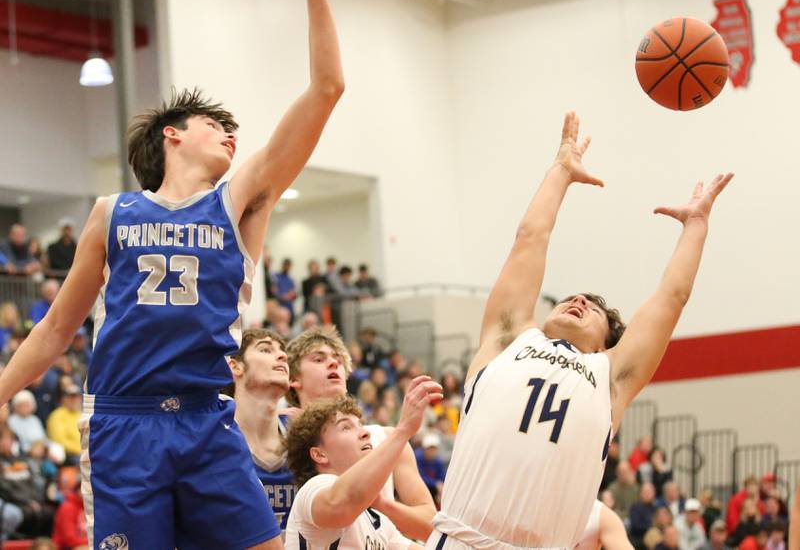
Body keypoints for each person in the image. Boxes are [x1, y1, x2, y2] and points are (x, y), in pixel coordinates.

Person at [0, 0, 344, 549]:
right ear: (172, 135)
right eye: (214, 125)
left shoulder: (239, 204)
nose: (230, 136)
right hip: (125, 420)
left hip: (207, 417)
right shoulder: (112, 212)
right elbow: (54, 330)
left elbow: (326, 92)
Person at [427, 112, 733, 549]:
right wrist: (561, 171)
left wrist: (696, 227)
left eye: (593, 309)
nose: (580, 302)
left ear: (607, 343)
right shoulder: (509, 339)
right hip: (459, 538)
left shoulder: (611, 376)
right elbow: (529, 238)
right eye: (573, 298)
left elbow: (672, 297)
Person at [286, 326, 437, 540]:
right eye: (318, 359)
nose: (333, 363)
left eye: (338, 360)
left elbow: (430, 527)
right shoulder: (279, 439)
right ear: (293, 378)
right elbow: (338, 505)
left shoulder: (386, 437)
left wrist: (379, 505)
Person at [228, 329, 296, 533]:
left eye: (282, 351)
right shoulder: (212, 437)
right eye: (266, 349)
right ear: (235, 366)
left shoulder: (305, 435)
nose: (282, 355)